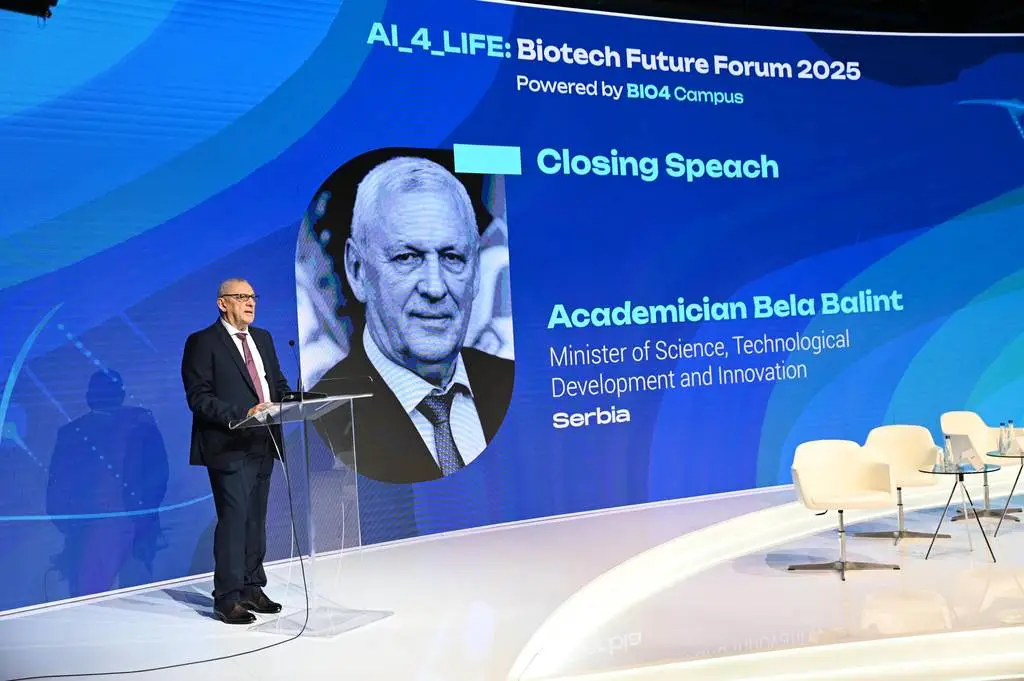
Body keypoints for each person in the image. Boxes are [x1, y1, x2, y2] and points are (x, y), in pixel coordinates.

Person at [313, 156, 514, 484]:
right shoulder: (322, 420)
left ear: (476, 273)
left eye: (452, 257)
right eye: (407, 257)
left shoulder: (511, 384)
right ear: (357, 270)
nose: (435, 287)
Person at [181, 278, 291, 625]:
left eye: (253, 296)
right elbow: (198, 397)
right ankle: (227, 598)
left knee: (256, 519)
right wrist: (241, 413)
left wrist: (294, 401)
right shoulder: (203, 342)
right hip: (228, 444)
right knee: (234, 520)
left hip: (264, 440)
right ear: (222, 303)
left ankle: (251, 587)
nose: (250, 303)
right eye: (242, 297)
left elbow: (277, 384)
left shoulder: (263, 338)